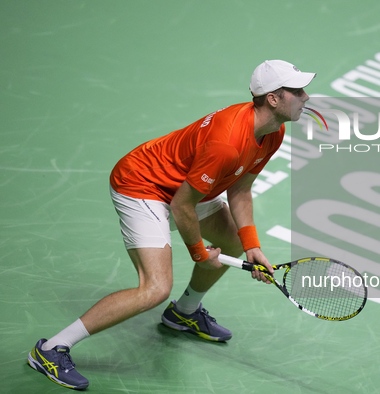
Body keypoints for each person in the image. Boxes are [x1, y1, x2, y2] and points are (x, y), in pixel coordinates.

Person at [27, 60, 315, 390]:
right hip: (143, 186)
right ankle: (50, 350)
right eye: (297, 91)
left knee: (233, 241)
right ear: (273, 99)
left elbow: (240, 188)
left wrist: (252, 245)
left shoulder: (271, 132)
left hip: (187, 186)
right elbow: (182, 206)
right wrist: (198, 253)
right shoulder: (228, 142)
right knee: (154, 288)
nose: (306, 96)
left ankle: (184, 313)